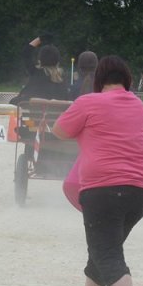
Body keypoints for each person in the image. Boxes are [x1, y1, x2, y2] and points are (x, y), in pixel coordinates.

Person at [53, 55, 143, 286]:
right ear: (127, 79)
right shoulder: (139, 105)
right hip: (140, 191)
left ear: (98, 79)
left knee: (106, 251)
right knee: (105, 247)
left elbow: (59, 131)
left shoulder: (88, 102)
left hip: (103, 190)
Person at [63, 51, 99, 210]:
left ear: (79, 67)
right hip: (94, 137)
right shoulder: (102, 89)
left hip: (70, 134)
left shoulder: (72, 89)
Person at [9, 35, 69, 105]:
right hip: (56, 111)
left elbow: (26, 52)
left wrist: (40, 39)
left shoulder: (35, 72)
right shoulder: (63, 77)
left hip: (31, 109)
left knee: (13, 101)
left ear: (40, 60)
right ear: (57, 61)